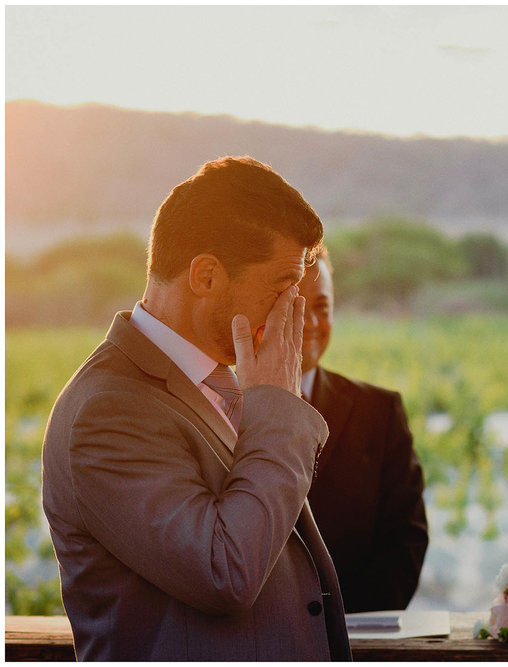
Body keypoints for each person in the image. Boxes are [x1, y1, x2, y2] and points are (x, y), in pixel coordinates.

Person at [41, 156, 352, 661]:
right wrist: (274, 405)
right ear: (206, 276)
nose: (293, 310)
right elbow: (226, 572)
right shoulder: (106, 412)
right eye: (281, 285)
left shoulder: (218, 381)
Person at [299, 250, 429, 612]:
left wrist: (342, 626)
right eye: (295, 306)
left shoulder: (380, 411)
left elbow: (406, 539)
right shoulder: (221, 407)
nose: (311, 321)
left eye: (322, 307)